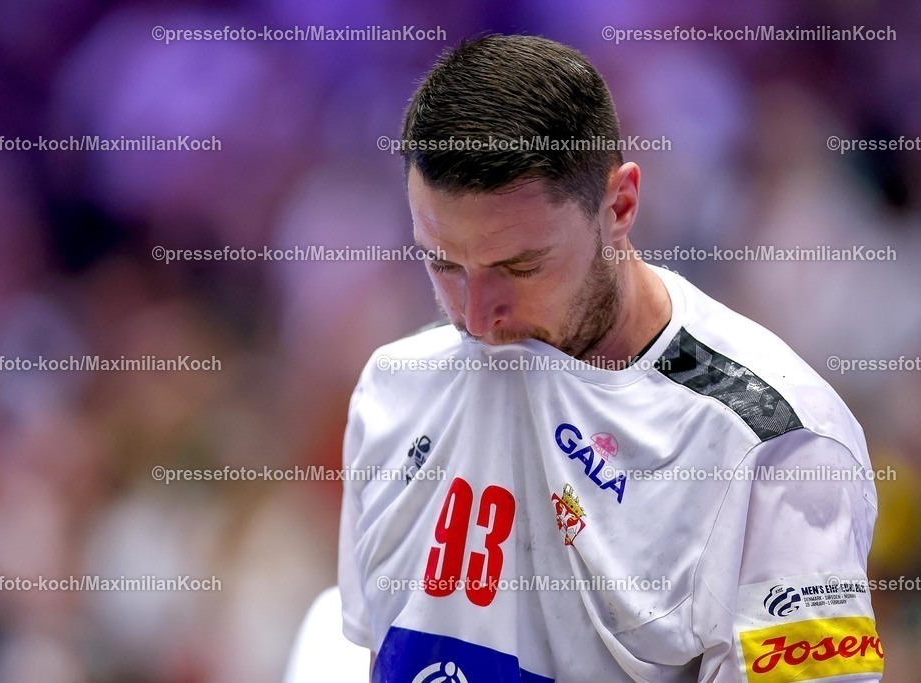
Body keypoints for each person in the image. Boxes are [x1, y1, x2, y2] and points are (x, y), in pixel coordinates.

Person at [338, 34, 883, 681]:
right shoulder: (392, 390)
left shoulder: (776, 446)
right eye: (443, 264)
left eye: (520, 267)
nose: (477, 318)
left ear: (619, 205)